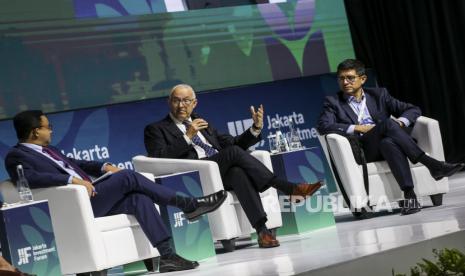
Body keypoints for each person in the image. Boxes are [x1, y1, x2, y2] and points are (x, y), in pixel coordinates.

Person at [4, 110, 228, 273]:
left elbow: (74, 162)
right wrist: (71, 180)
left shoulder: (49, 150)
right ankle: (189, 204)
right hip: (75, 205)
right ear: (35, 132)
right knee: (128, 176)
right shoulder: (16, 156)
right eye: (47, 126)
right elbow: (30, 179)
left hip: (91, 198)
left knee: (138, 198)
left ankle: (167, 256)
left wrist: (103, 166)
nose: (51, 130)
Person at [144, 84, 323, 248]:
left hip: (220, 171)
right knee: (233, 153)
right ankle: (289, 188)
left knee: (238, 172)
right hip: (195, 173)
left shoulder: (202, 123)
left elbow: (233, 142)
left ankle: (262, 231)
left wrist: (255, 128)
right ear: (169, 102)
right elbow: (159, 157)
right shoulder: (156, 129)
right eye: (176, 100)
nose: (181, 105)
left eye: (186, 101)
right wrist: (187, 136)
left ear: (195, 103)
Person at [317, 59, 465, 215]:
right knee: (387, 124)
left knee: (388, 142)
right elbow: (323, 125)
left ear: (363, 79)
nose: (345, 82)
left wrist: (400, 122)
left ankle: (410, 196)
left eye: (350, 78)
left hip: (387, 142)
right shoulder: (333, 102)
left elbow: (412, 109)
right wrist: (357, 127)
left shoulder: (379, 94)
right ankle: (433, 165)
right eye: (341, 78)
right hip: (364, 148)